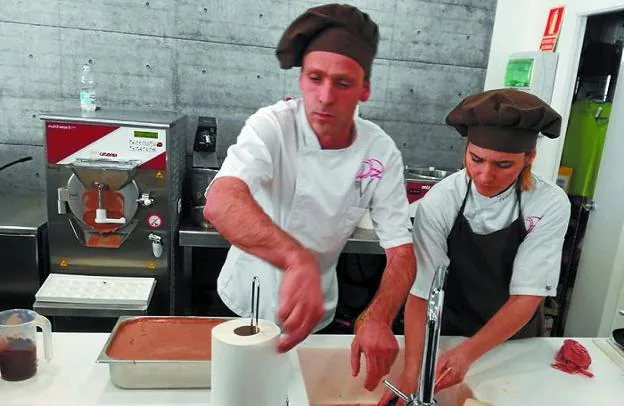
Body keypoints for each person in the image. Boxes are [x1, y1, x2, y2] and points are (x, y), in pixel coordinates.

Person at [203, 3, 416, 391]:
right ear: (300, 79)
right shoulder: (272, 125)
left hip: (318, 312)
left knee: (298, 392)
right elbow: (221, 200)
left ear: (365, 89)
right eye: (315, 78)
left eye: (343, 83)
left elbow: (401, 250)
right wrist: (295, 257)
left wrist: (381, 316)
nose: (325, 96)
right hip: (244, 299)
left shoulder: (380, 152)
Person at [380, 88, 571, 404]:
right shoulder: (442, 199)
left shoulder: (549, 204)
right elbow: (421, 293)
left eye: (503, 165)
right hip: (448, 334)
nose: (485, 175)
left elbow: (527, 296)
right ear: (466, 150)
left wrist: (469, 353)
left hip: (512, 341)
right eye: (476, 159)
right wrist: (412, 371)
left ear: (529, 158)